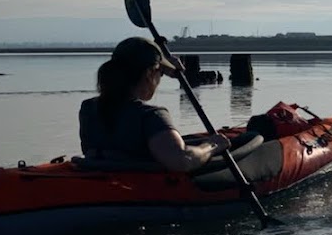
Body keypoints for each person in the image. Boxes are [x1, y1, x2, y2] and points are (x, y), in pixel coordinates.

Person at [79, 37, 230, 171]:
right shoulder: (151, 115)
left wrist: (160, 66)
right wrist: (212, 146)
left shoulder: (88, 108)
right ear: (149, 74)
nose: (160, 79)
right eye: (160, 73)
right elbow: (181, 160)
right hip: (140, 191)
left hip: (103, 181)